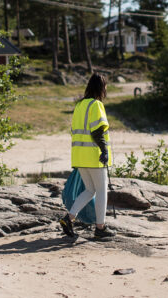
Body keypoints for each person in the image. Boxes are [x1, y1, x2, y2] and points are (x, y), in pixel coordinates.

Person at [60, 73, 116, 238]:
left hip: (79, 156)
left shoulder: (79, 105)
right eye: (105, 87)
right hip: (94, 155)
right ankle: (100, 228)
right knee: (101, 191)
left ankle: (69, 218)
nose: (105, 90)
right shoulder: (96, 104)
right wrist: (104, 151)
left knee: (90, 190)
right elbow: (97, 130)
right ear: (101, 88)